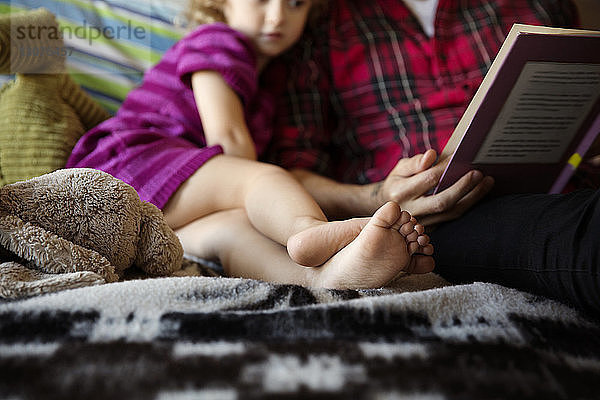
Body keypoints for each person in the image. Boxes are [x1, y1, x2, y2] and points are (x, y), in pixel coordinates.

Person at [255, 0, 600, 315]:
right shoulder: (311, 17)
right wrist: (374, 197)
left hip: (572, 183)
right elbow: (288, 174)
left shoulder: (540, 4)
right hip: (436, 221)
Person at [66, 0, 435, 289]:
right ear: (221, 2)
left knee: (234, 231)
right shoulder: (217, 40)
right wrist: (270, 191)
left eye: (296, 4)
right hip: (129, 166)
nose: (277, 17)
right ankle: (305, 231)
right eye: (260, 0)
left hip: (151, 217)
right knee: (259, 181)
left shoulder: (273, 80)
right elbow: (227, 139)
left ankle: (323, 278)